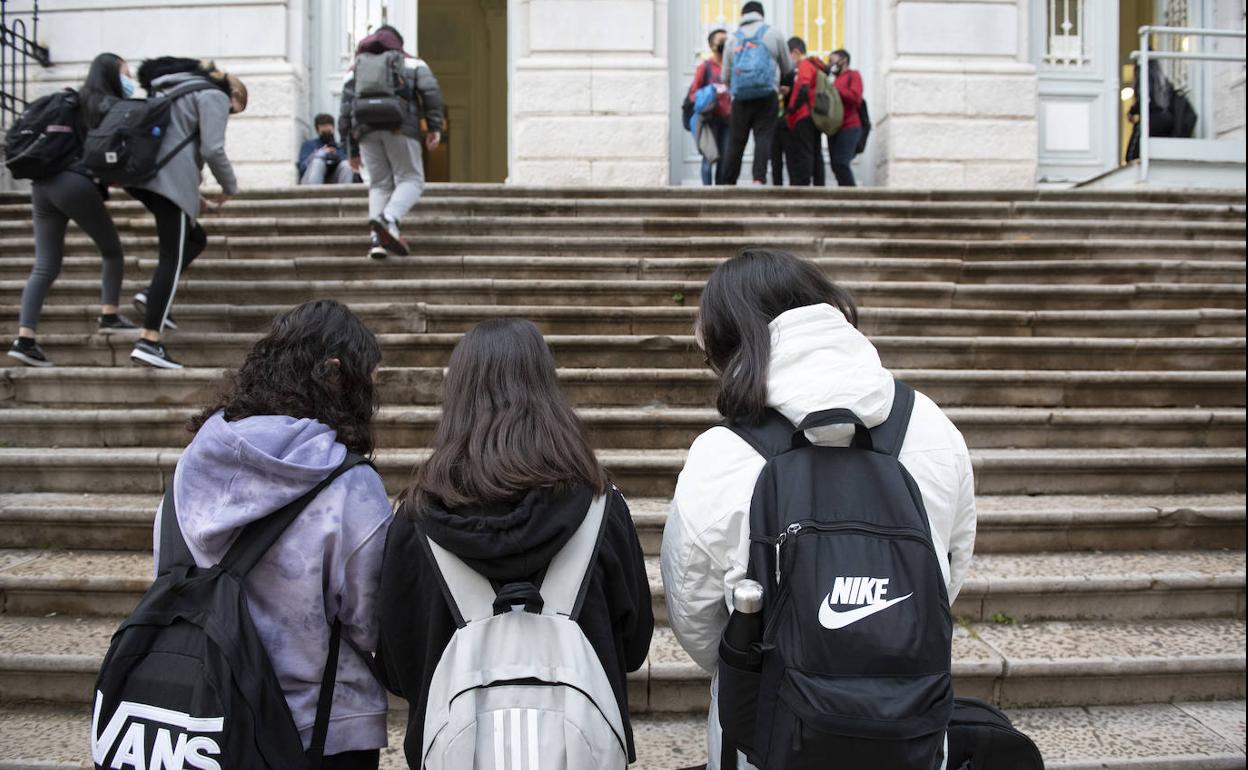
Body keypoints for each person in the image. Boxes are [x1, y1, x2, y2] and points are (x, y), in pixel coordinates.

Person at [660, 249, 977, 770]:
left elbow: (693, 606)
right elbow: (947, 570)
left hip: (768, 726)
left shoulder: (724, 451)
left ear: (728, 341)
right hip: (910, 723)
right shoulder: (931, 426)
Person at [376, 318, 654, 768]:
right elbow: (635, 645)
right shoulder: (602, 510)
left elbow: (394, 668)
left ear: (457, 399)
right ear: (548, 391)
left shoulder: (414, 522)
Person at [153, 299, 391, 769]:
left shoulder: (191, 467)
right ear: (336, 374)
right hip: (316, 728)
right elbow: (371, 620)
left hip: (199, 720)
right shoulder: (350, 485)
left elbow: (166, 574)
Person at [7, 53, 137, 368]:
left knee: (45, 265)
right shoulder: (107, 107)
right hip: (74, 184)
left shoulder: (70, 100)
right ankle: (109, 315)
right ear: (110, 74)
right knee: (112, 252)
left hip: (42, 187)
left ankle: (25, 340)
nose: (130, 78)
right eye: (125, 72)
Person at [126, 57, 247, 369]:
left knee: (195, 237)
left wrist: (193, 195)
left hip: (145, 176)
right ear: (233, 95)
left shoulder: (176, 88)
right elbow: (212, 149)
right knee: (172, 255)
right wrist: (230, 187)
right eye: (234, 111)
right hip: (169, 182)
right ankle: (149, 340)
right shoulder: (214, 95)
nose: (230, 116)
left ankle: (152, 295)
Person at [340, 25, 444, 259]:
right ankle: (389, 218)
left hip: (365, 130)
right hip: (400, 127)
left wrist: (351, 149)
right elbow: (431, 93)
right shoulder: (412, 63)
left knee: (378, 184)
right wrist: (434, 126)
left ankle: (378, 239)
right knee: (412, 179)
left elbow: (345, 109)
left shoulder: (356, 67)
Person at [720, 1, 794, 185]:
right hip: (767, 95)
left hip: (741, 98)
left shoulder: (732, 39)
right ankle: (758, 179)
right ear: (761, 14)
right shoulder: (773, 33)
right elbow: (788, 66)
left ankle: (728, 182)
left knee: (736, 141)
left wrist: (736, 88)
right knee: (763, 137)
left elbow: (725, 75)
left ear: (742, 15)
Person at [785, 37, 830, 187]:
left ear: (796, 52)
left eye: (788, 55)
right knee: (815, 152)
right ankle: (819, 185)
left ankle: (802, 186)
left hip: (803, 115)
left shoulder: (805, 64)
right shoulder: (815, 66)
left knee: (804, 152)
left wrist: (791, 109)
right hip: (814, 115)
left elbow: (803, 87)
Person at [689, 28, 732, 185]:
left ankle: (719, 196)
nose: (725, 44)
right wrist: (710, 94)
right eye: (721, 41)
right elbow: (693, 94)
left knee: (725, 159)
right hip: (709, 119)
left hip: (728, 119)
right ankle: (706, 194)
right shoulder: (705, 67)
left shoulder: (731, 65)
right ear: (712, 45)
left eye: (727, 40)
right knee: (708, 157)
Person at [826, 48, 864, 187]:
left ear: (844, 60)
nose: (830, 64)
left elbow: (856, 98)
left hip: (850, 127)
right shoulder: (833, 79)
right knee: (836, 166)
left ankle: (852, 198)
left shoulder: (853, 75)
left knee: (842, 163)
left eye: (832, 60)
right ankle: (844, 196)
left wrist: (836, 90)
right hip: (834, 128)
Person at [299, 113, 355, 185]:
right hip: (311, 180)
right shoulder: (309, 145)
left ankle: (344, 195)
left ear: (333, 129)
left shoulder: (339, 147)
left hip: (332, 179)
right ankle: (314, 194)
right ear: (317, 131)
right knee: (317, 162)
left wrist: (335, 155)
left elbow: (348, 164)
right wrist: (320, 154)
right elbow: (302, 167)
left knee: (346, 165)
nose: (326, 135)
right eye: (323, 132)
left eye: (329, 132)